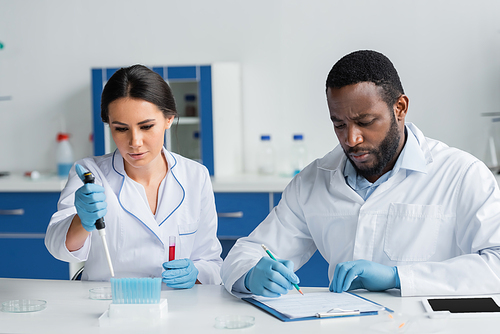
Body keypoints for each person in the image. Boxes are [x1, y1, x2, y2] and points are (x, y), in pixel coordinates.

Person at [221, 50, 500, 297]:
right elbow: (246, 253)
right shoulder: (313, 181)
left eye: (365, 122)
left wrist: (398, 278)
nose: (351, 139)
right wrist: (251, 275)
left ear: (399, 108)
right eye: (339, 124)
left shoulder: (461, 174)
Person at [45, 64, 223, 288]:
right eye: (121, 129)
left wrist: (196, 273)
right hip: (108, 305)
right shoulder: (91, 174)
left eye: (146, 126)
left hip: (175, 306)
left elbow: (211, 261)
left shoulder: (195, 176)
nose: (135, 142)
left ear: (169, 119)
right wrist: (83, 220)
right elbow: (59, 249)